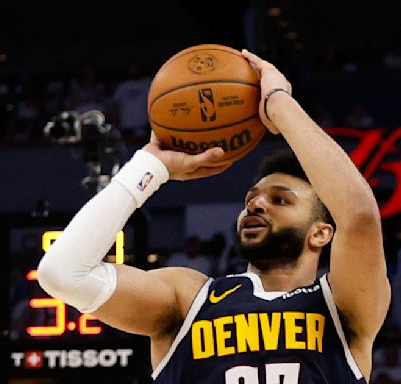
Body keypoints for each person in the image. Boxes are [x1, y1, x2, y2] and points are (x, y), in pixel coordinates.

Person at [37, 49, 391, 383]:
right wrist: (151, 166)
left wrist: (278, 104)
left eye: (281, 200)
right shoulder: (189, 299)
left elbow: (358, 215)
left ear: (320, 233)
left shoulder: (343, 305)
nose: (256, 205)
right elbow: (62, 274)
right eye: (251, 199)